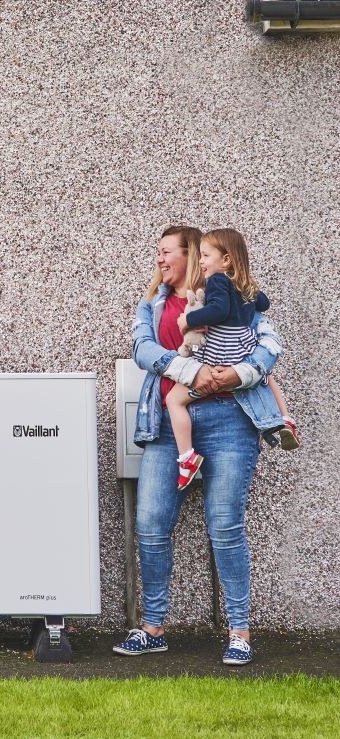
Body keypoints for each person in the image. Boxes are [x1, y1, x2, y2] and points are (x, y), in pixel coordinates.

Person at [116, 226, 285, 666]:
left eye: (166, 252)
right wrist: (188, 373)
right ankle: (153, 628)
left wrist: (238, 375)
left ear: (192, 255)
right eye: (157, 252)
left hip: (231, 419)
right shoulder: (152, 305)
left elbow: (268, 345)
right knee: (151, 522)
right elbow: (141, 348)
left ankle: (239, 632)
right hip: (171, 424)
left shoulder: (229, 294)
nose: (158, 259)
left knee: (225, 525)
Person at [165, 228, 272, 490]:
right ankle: (281, 419)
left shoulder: (217, 281)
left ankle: (187, 457)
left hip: (219, 353)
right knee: (268, 377)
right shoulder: (243, 284)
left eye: (205, 256)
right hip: (241, 351)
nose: (200, 261)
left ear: (226, 259)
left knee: (173, 399)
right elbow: (264, 303)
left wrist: (187, 319)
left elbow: (218, 309)